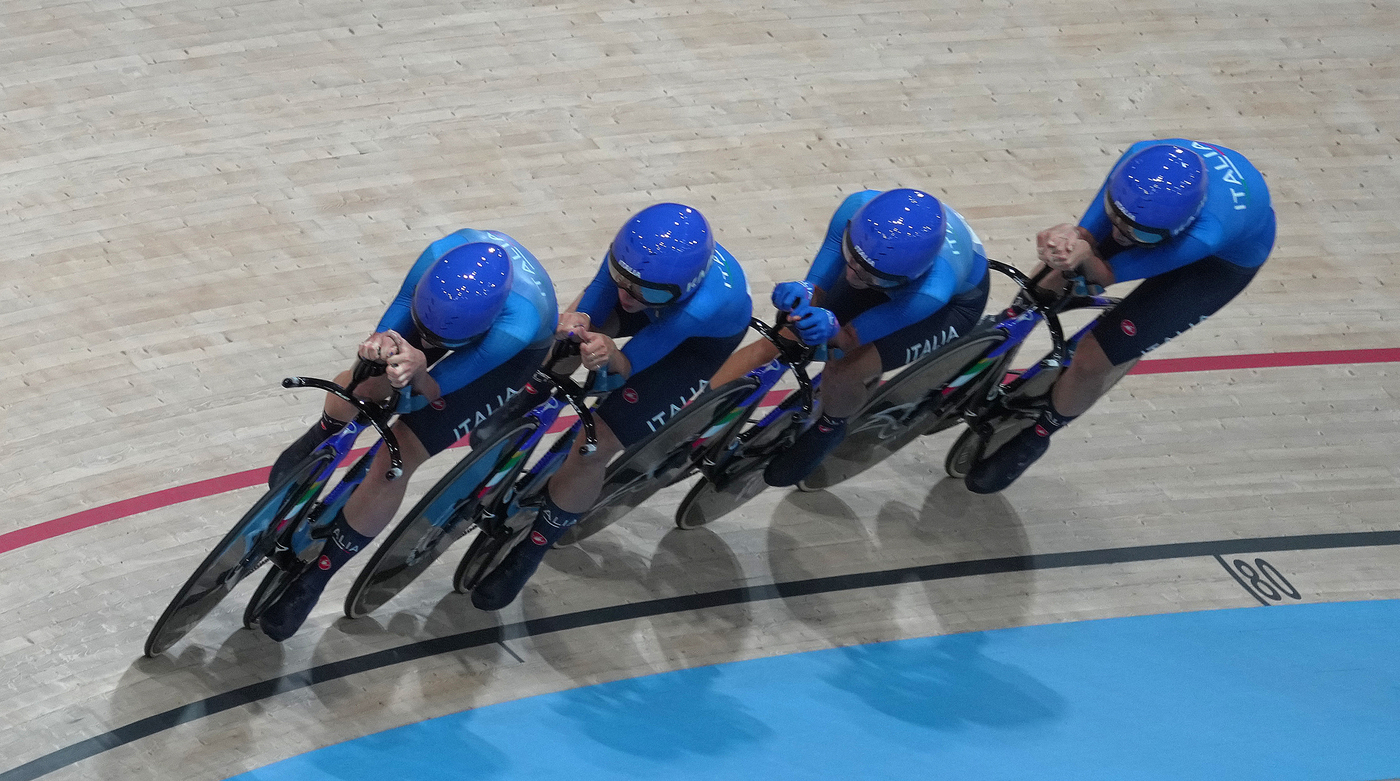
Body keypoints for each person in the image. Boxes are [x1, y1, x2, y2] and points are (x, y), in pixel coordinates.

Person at [257, 230, 558, 641]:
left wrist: (418, 373)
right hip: (440, 313)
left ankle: (320, 573)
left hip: (503, 358)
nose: (433, 344)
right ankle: (325, 431)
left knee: (397, 455)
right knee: (364, 383)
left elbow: (436, 391)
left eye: (442, 341)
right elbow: (393, 322)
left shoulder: (516, 328)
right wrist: (380, 349)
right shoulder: (437, 256)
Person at [470, 203, 752, 610]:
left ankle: (531, 550)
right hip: (662, 300)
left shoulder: (700, 306)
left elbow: (627, 367)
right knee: (568, 335)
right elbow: (602, 300)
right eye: (622, 278)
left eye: (644, 290)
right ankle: (532, 393)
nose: (628, 295)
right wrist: (578, 323)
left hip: (688, 346)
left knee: (593, 445)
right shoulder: (634, 259)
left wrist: (610, 356)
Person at [965, 138, 1276, 493]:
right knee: (1065, 264)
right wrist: (1067, 242)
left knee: (1091, 360)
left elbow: (1106, 275)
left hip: (1217, 265)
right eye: (1115, 216)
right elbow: (1089, 236)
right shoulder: (1137, 162)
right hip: (1150, 215)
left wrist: (1085, 256)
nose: (1118, 234)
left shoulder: (1208, 234)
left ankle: (1038, 435)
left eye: (1136, 231)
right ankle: (1007, 328)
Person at [709, 187, 991, 488]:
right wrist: (805, 293)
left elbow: (846, 341)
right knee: (781, 338)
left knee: (845, 369)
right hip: (889, 268)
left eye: (868, 273)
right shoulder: (856, 209)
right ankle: (695, 415)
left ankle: (831, 425)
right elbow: (817, 287)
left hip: (950, 307)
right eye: (851, 258)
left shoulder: (930, 292)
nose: (852, 276)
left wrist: (832, 329)